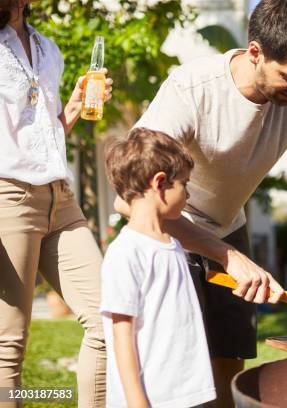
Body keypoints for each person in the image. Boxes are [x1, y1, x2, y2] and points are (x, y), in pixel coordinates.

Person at [122, 0, 287, 404]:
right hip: (170, 232)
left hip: (229, 226)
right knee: (173, 370)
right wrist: (226, 256)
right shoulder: (191, 91)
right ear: (255, 53)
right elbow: (137, 198)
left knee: (229, 360)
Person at [0, 1, 112, 406]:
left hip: (60, 199)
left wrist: (72, 110)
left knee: (109, 319)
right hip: (8, 199)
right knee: (8, 347)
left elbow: (38, 132)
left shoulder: (49, 50)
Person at [102, 128, 216, 408]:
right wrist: (136, 401)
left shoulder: (174, 245)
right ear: (160, 183)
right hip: (149, 398)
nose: (187, 195)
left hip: (183, 395)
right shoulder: (127, 252)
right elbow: (122, 334)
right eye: (185, 185)